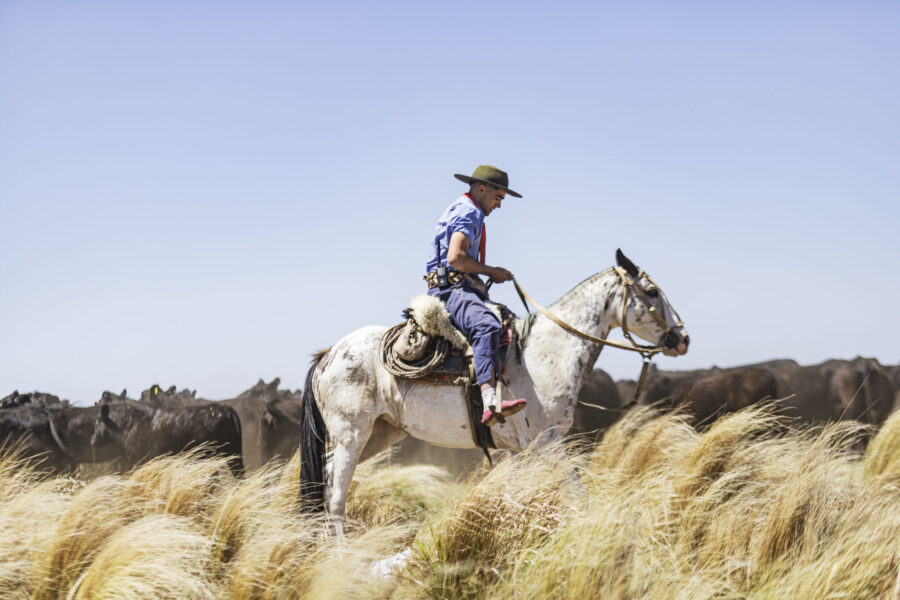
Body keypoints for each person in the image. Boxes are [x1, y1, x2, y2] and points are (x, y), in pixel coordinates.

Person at [424, 165, 527, 426]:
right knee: (487, 325)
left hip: (455, 285)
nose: (499, 205)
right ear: (482, 189)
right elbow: (456, 258)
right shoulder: (470, 211)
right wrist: (491, 271)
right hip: (452, 289)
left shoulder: (461, 207)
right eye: (498, 197)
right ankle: (490, 401)